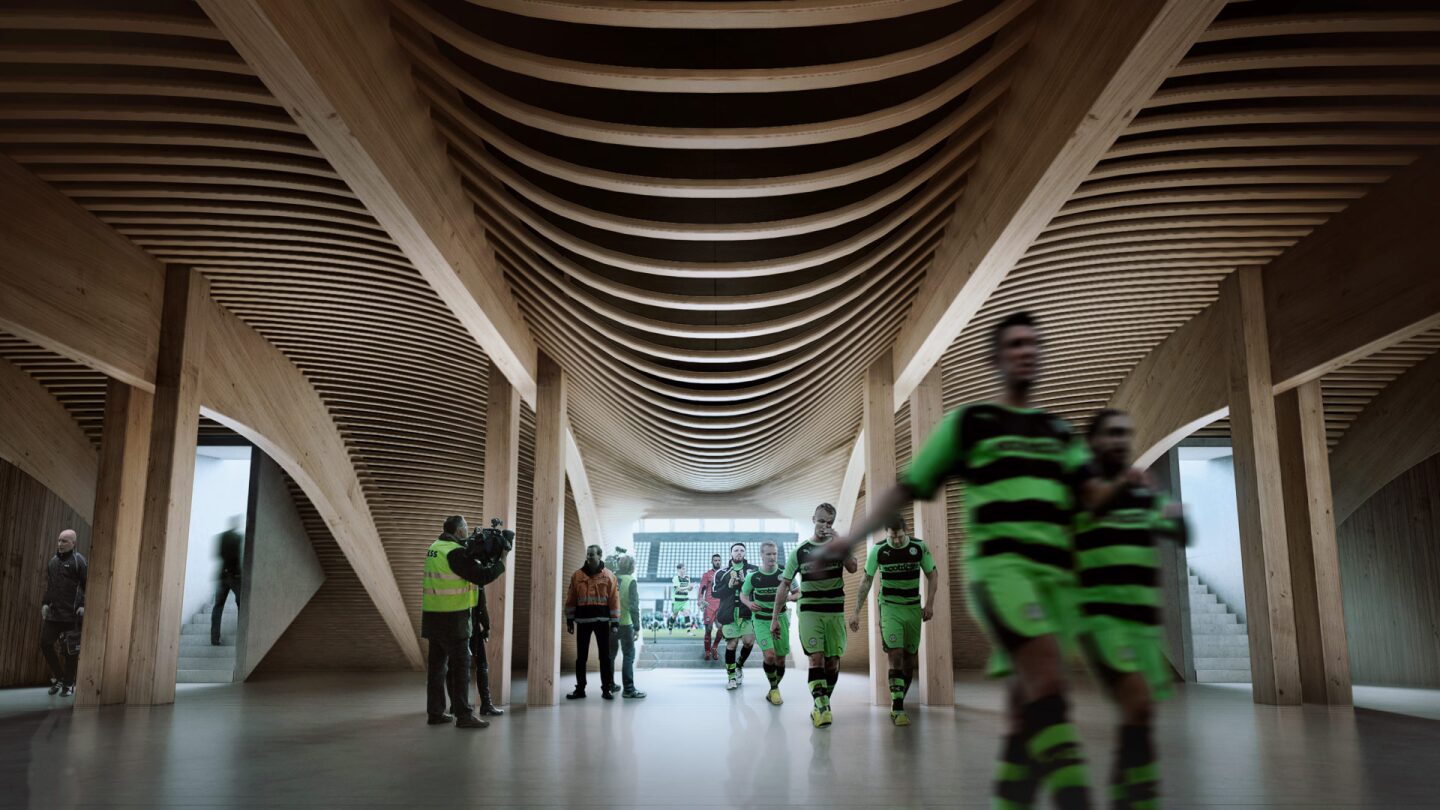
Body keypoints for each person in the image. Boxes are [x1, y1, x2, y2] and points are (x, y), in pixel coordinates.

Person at [825, 312, 1135, 807]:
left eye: (1033, 343)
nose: (1025, 350)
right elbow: (906, 487)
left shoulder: (1057, 433)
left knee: (1025, 698)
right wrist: (853, 537)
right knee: (1048, 678)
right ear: (997, 358)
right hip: (1002, 573)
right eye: (1014, 343)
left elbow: (1091, 497)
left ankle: (1010, 796)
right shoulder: (970, 425)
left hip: (1054, 579)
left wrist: (1126, 484)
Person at [1076, 408, 1187, 808]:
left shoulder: (1141, 492)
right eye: (1112, 434)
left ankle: (1128, 796)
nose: (1121, 440)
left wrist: (1164, 503)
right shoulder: (1083, 486)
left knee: (1138, 716)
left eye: (1126, 433)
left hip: (1142, 622)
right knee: (1137, 703)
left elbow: (1179, 529)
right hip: (1102, 618)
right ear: (1094, 442)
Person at [850, 514, 939, 726]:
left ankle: (899, 699)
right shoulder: (879, 550)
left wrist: (930, 604)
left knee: (909, 661)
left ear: (905, 532)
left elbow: (933, 575)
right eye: (892, 537)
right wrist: (855, 611)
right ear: (886, 534)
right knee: (896, 655)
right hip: (889, 608)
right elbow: (866, 581)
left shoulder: (918, 547)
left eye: (899, 536)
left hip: (912, 609)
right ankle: (897, 707)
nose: (896, 541)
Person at [774, 503, 857, 728]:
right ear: (813, 519)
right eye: (821, 521)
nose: (824, 526)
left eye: (829, 523)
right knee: (815, 658)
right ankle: (821, 706)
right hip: (810, 611)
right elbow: (784, 585)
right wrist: (774, 618)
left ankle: (822, 702)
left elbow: (853, 567)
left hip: (835, 612)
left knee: (832, 664)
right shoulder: (800, 551)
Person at [422, 515, 503, 729]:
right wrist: (501, 560)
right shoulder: (455, 553)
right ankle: (464, 715)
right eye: (466, 527)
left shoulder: (436, 546)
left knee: (437, 669)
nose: (468, 530)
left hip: (433, 617)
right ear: (458, 531)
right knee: (461, 668)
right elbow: (482, 577)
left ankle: (435, 712)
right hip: (453, 619)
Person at [741, 541, 798, 706]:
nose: (772, 557)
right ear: (762, 555)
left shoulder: (785, 574)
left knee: (780, 660)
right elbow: (744, 595)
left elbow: (798, 593)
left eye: (774, 553)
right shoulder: (753, 576)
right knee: (770, 655)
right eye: (768, 554)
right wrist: (749, 604)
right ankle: (774, 689)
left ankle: (773, 688)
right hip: (761, 621)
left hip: (780, 619)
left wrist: (787, 597)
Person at [464, 523, 510, 718]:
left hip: (464, 618)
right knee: (479, 664)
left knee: (461, 664)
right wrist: (503, 558)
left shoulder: (462, 562)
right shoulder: (474, 568)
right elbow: (480, 597)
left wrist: (487, 624)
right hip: (468, 621)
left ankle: (459, 705)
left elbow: (480, 599)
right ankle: (485, 705)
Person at [565, 544, 620, 700]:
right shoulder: (577, 576)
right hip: (582, 621)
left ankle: (606, 689)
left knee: (605, 657)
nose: (589, 557)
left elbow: (614, 601)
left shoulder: (610, 576)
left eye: (592, 554)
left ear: (599, 555)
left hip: (602, 622)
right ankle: (580, 689)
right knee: (581, 658)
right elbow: (571, 599)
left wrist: (615, 623)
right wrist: (569, 620)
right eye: (588, 554)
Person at [40, 529, 86, 697]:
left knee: (69, 651)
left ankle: (68, 683)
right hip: (54, 614)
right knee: (45, 644)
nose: (60, 544)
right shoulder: (53, 562)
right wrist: (45, 603)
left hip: (70, 615)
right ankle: (59, 677)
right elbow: (50, 587)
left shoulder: (79, 561)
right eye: (59, 540)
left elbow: (87, 585)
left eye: (65, 541)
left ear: (73, 543)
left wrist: (83, 605)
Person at [713, 542, 758, 690]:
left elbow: (759, 588)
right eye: (736, 550)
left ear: (745, 553)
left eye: (741, 550)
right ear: (731, 553)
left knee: (748, 642)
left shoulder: (753, 570)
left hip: (747, 613)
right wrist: (729, 586)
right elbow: (715, 593)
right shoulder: (721, 573)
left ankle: (739, 665)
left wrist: (746, 583)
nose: (739, 552)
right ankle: (731, 677)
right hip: (729, 614)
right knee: (731, 644)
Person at [607, 554, 647, 699]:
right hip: (625, 624)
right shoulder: (631, 581)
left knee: (610, 656)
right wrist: (637, 627)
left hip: (610, 624)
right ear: (631, 567)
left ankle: (609, 685)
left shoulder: (610, 578)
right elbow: (634, 606)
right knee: (628, 655)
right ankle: (629, 689)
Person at [212, 516, 243, 646]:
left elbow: (218, 554)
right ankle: (243, 634)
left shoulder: (221, 537)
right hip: (235, 576)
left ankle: (214, 638)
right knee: (242, 604)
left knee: (218, 606)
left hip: (222, 576)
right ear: (236, 525)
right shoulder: (238, 538)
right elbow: (239, 557)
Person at [697, 553, 724, 660]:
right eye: (715, 560)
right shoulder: (707, 574)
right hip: (709, 605)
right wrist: (700, 599)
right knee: (708, 629)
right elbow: (702, 588)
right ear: (712, 562)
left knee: (722, 628)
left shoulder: (724, 574)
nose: (717, 562)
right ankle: (707, 651)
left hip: (721, 605)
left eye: (718, 560)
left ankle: (715, 647)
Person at [670, 563, 693, 630]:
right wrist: (687, 587)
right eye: (683, 569)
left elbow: (689, 589)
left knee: (687, 613)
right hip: (677, 600)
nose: (684, 570)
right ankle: (670, 626)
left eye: (684, 569)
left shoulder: (687, 578)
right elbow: (678, 589)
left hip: (685, 600)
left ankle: (689, 631)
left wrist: (691, 587)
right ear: (678, 569)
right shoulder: (675, 578)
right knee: (674, 615)